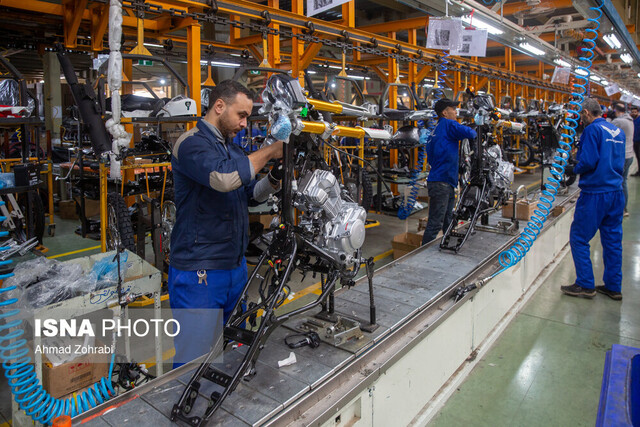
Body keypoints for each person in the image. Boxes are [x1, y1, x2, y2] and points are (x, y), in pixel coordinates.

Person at [169, 80, 287, 366]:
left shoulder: (232, 150)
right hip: (200, 272)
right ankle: (183, 406)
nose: (245, 124)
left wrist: (274, 178)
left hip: (234, 268)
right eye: (242, 115)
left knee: (234, 351)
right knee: (194, 359)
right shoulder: (191, 144)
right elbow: (224, 179)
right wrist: (271, 150)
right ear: (219, 106)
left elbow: (249, 195)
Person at [561, 98, 625, 300]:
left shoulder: (592, 130)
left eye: (581, 115)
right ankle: (614, 287)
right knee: (613, 240)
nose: (581, 119)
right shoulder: (617, 131)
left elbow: (588, 161)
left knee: (579, 237)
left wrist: (572, 168)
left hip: (595, 193)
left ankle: (585, 284)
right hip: (616, 192)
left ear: (587, 113)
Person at [422, 98, 477, 245]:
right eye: (453, 109)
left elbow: (431, 158)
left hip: (441, 180)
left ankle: (448, 245)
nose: (455, 111)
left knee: (448, 220)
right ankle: (420, 256)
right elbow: (470, 133)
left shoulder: (436, 129)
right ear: (445, 112)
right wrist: (477, 125)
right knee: (435, 223)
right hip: (443, 182)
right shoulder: (449, 124)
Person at [611, 103, 634, 216]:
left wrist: (609, 119)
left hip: (622, 156)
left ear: (615, 110)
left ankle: (620, 209)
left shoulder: (620, 121)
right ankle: (623, 208)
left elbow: (606, 130)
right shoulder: (629, 120)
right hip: (629, 155)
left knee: (618, 182)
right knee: (623, 181)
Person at [631, 105, 640, 176]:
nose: (634, 113)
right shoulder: (632, 120)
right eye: (632, 112)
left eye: (635, 112)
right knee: (637, 156)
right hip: (635, 141)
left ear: (638, 112)